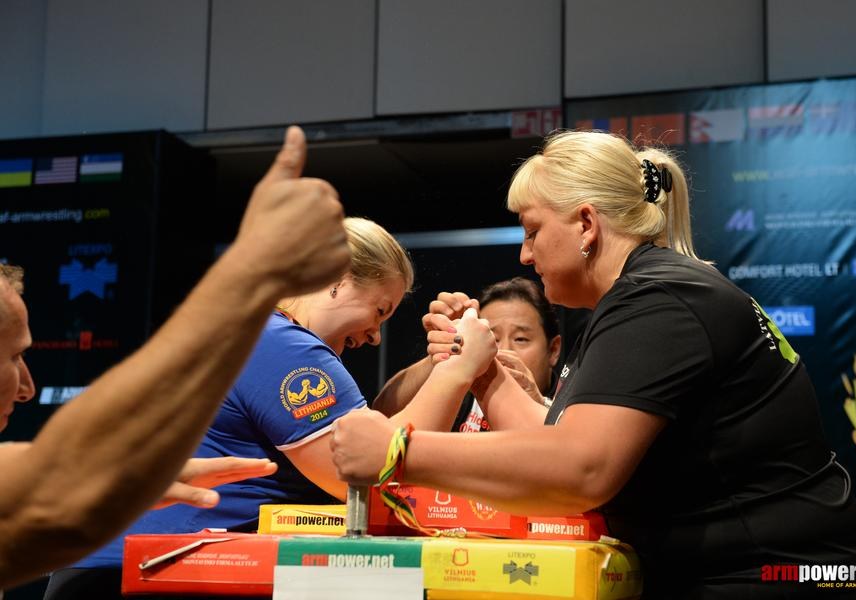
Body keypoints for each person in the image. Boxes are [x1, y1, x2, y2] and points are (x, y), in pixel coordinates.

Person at [331, 130, 856, 598]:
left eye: (532, 232)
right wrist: (482, 370)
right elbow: (552, 450)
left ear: (586, 225)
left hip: (778, 577)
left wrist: (397, 449)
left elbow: (580, 470)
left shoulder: (660, 301)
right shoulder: (639, 298)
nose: (524, 255)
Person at [45, 218, 484, 600]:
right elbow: (369, 476)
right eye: (380, 310)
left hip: (128, 568)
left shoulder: (257, 330)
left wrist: (436, 363)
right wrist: (459, 370)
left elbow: (370, 430)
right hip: (135, 575)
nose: (374, 337)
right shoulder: (283, 347)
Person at [0, 125, 350, 592]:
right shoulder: (283, 341)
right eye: (13, 356)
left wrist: (121, 486)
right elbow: (63, 486)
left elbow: (59, 499)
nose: (27, 387)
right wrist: (251, 270)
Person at [373, 277, 561, 433]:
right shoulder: (466, 387)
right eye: (492, 338)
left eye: (521, 339)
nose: (504, 350)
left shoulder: (573, 401)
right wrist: (445, 352)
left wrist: (540, 405)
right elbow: (384, 412)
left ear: (553, 350)